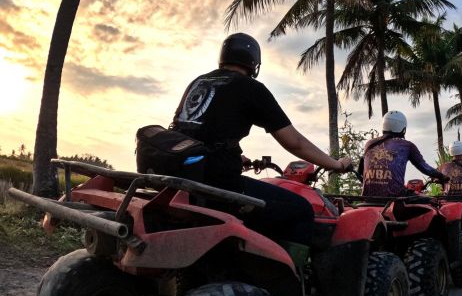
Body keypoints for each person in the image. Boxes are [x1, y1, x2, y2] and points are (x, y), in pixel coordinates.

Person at [171, 33, 352, 246]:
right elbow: (295, 142)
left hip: (183, 179)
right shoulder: (251, 88)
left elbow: (193, 131)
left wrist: (236, 156)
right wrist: (337, 164)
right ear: (254, 63)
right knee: (302, 209)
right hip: (220, 184)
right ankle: (288, 277)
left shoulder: (199, 82)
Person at [358, 110, 447, 197]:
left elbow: (360, 171)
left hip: (367, 199)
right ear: (403, 128)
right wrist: (441, 176)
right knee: (431, 201)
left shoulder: (369, 144)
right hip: (396, 198)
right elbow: (425, 167)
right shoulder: (407, 146)